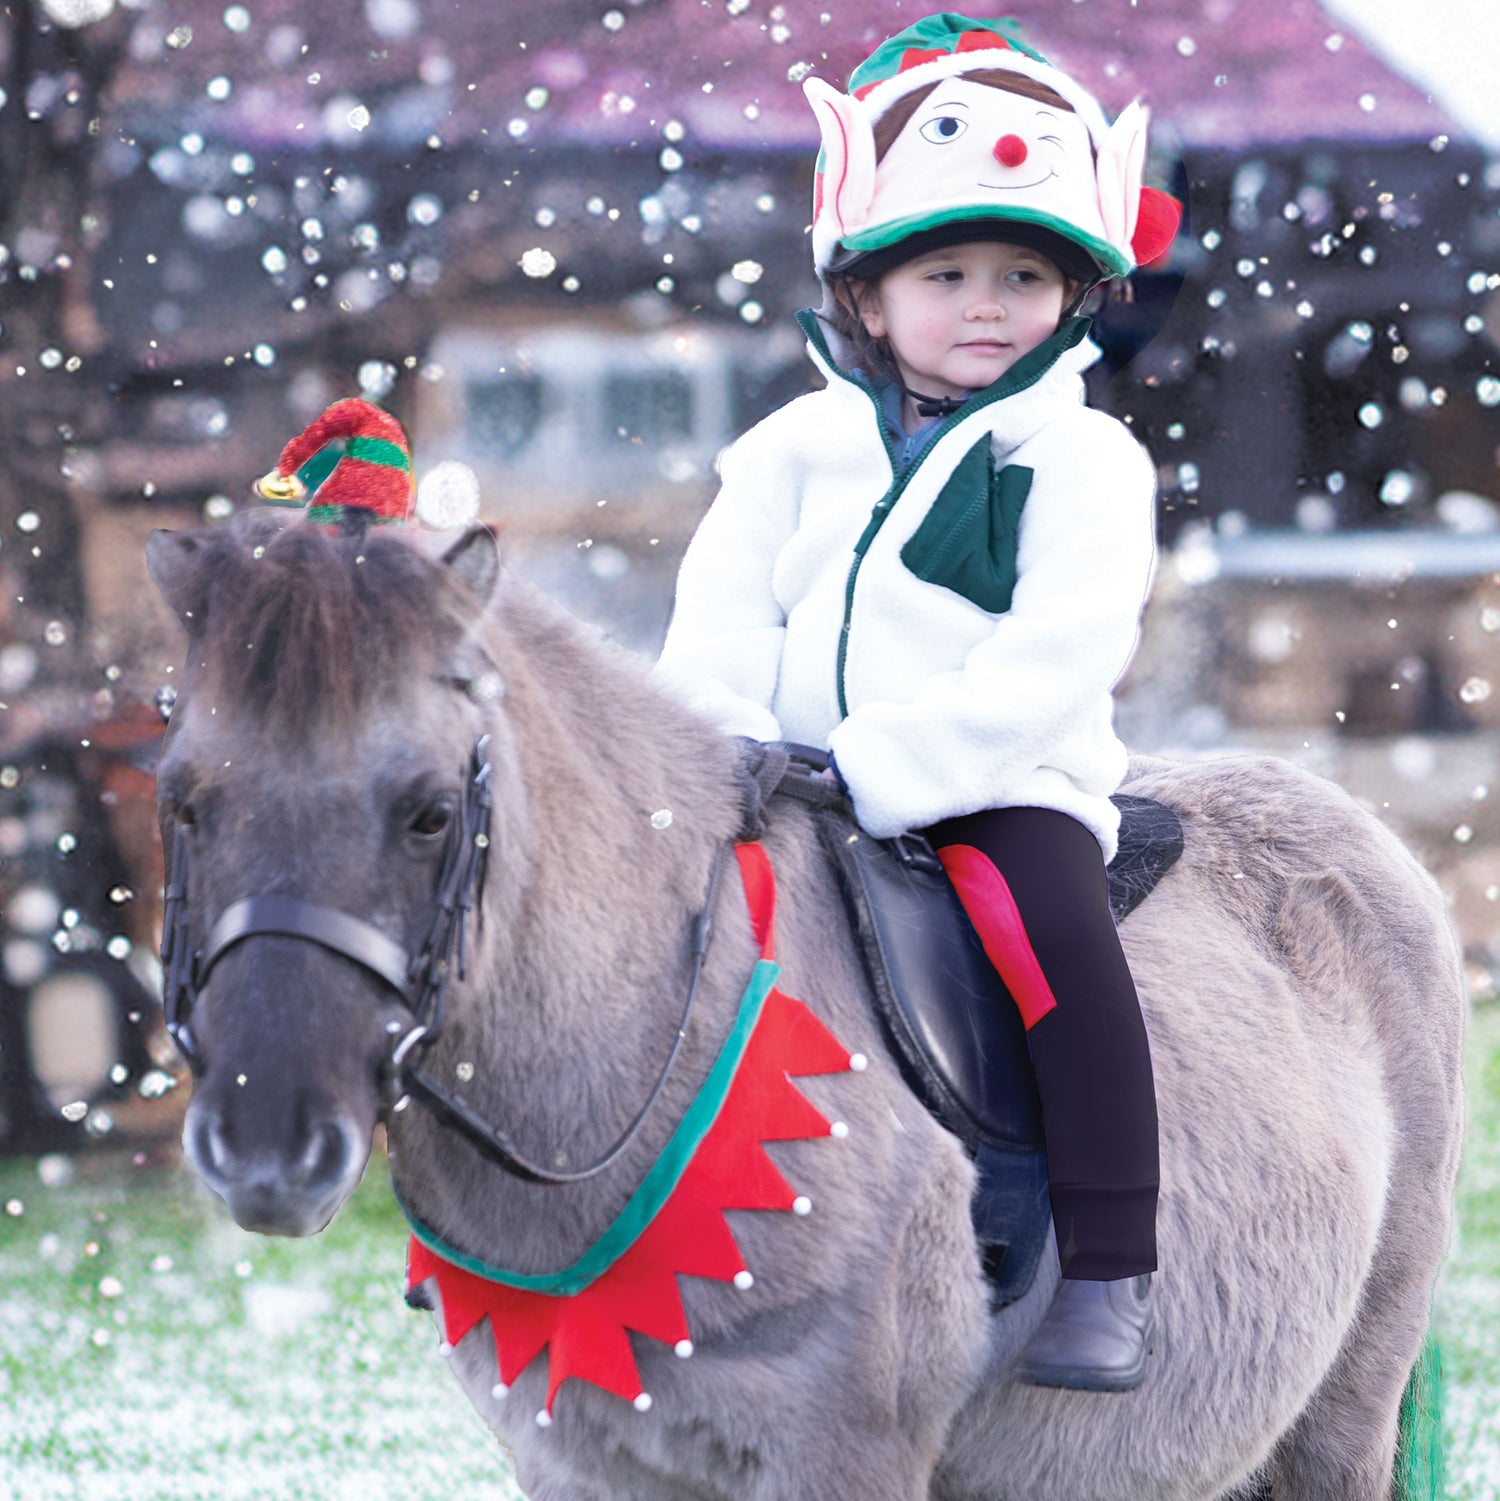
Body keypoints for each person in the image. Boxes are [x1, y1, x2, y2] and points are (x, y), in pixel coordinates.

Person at [655, 12, 1180, 1392]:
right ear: (870, 297)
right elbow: (719, 617)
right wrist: (726, 738)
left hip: (995, 785)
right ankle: (579, 1205)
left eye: (1023, 275)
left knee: (1052, 943)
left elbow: (1059, 651)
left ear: (1072, 296)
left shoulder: (1082, 460)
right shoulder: (785, 452)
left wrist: (888, 765)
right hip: (779, 783)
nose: (986, 304)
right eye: (946, 273)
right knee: (637, 933)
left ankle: (1109, 1258)